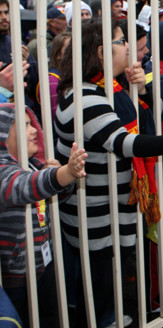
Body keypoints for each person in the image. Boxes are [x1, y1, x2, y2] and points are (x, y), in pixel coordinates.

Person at [54, 19, 163, 327]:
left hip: (108, 206)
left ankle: (108, 316)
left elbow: (140, 117)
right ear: (101, 52)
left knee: (106, 275)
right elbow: (124, 142)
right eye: (122, 41)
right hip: (95, 213)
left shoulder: (107, 87)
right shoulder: (87, 97)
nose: (129, 47)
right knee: (97, 281)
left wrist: (136, 88)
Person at [0, 103, 87, 328]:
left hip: (43, 263)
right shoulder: (2, 170)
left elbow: (56, 192)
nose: (34, 131)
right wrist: (63, 174)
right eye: (25, 125)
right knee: (25, 319)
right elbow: (23, 187)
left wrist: (62, 178)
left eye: (32, 124)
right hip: (15, 274)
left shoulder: (32, 164)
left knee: (49, 317)